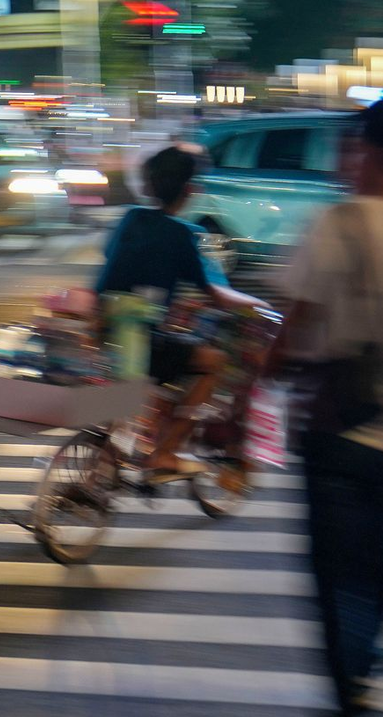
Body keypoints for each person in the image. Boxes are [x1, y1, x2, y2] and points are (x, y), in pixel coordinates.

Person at [271, 99, 383, 717]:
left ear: (370, 153)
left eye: (352, 149)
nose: (344, 161)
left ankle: (346, 701)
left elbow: (291, 330)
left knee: (340, 578)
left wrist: (245, 394)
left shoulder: (337, 224)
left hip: (340, 437)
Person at [96, 145, 267, 479]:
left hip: (108, 330)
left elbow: (120, 268)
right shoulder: (180, 235)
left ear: (148, 185)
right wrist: (257, 305)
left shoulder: (128, 219)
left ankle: (98, 472)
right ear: (189, 190)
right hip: (140, 340)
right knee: (211, 363)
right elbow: (214, 293)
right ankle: (166, 452)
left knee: (141, 383)